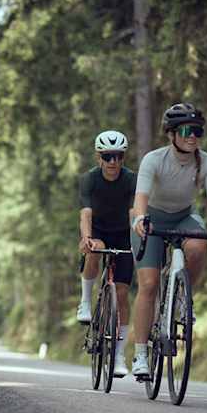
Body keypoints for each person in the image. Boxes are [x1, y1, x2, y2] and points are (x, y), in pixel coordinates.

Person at [129, 103, 207, 376]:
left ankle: (183, 297)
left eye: (197, 131)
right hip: (150, 219)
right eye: (186, 130)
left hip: (184, 216)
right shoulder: (154, 159)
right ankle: (139, 356)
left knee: (198, 244)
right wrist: (139, 219)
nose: (192, 136)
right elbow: (141, 198)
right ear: (171, 134)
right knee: (148, 285)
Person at [77, 130, 137, 377]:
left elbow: (135, 212)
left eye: (118, 156)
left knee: (122, 293)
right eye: (108, 156)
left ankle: (120, 354)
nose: (113, 162)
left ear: (123, 158)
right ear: (99, 158)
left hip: (124, 233)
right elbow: (85, 214)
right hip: (99, 231)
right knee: (93, 251)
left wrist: (137, 239)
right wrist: (87, 238)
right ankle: (85, 303)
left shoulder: (131, 179)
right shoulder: (89, 179)